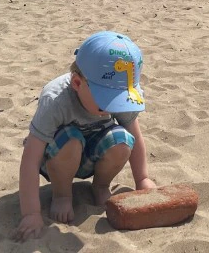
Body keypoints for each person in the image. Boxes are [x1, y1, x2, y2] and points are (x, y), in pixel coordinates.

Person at [14, 31, 157, 242]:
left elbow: (134, 133)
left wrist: (142, 179)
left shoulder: (119, 87)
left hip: (92, 153)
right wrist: (32, 214)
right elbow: (31, 158)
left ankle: (100, 186)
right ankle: (62, 194)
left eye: (117, 101)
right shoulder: (55, 100)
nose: (112, 107)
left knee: (123, 140)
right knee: (71, 140)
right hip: (56, 159)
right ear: (77, 83)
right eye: (105, 101)